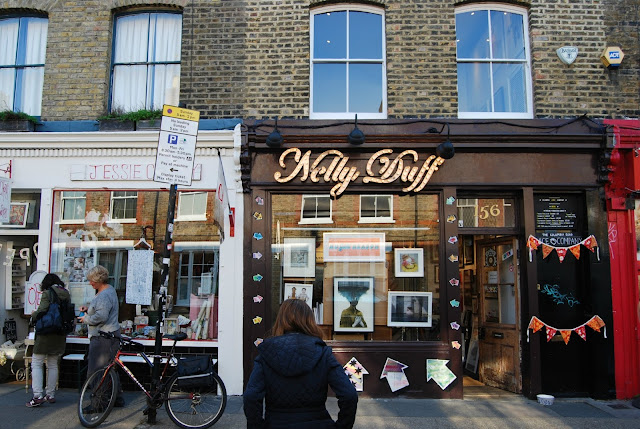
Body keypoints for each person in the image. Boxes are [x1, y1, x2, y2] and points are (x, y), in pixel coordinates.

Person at [244, 299, 358, 429]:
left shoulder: (267, 353)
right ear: (309, 320)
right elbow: (349, 395)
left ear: (280, 320)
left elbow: (251, 397)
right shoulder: (322, 352)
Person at [77, 265, 124, 407]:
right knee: (110, 369)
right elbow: (102, 309)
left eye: (91, 280)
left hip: (103, 337)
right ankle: (115, 399)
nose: (90, 283)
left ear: (98, 280)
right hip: (110, 335)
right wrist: (88, 308)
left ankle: (98, 404)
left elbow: (102, 316)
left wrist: (86, 319)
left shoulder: (104, 295)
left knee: (96, 371)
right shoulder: (109, 290)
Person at [26, 273, 71, 407]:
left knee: (37, 362)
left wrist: (33, 315)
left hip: (46, 331)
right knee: (52, 363)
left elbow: (42, 310)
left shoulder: (47, 293)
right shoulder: (66, 293)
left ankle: (37, 395)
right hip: (60, 332)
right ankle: (50, 394)